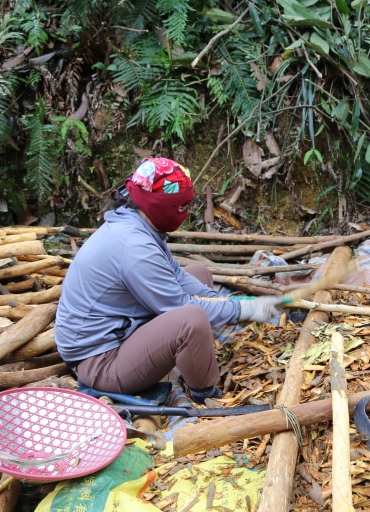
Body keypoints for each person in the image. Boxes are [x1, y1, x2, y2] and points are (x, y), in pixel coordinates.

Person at [55, 157, 278, 403]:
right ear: (159, 205)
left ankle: (194, 354)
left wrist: (219, 301)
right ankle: (205, 394)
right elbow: (180, 306)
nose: (186, 212)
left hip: (122, 331)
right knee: (191, 320)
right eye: (182, 207)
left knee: (199, 273)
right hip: (100, 362)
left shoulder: (136, 223)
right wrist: (242, 309)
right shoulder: (135, 247)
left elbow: (177, 275)